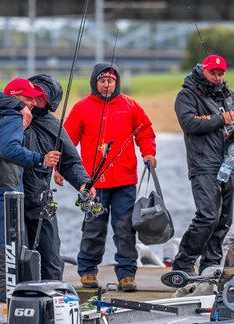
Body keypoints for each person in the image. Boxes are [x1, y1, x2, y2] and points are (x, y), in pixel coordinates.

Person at [0, 78, 61, 304]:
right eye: (27, 98)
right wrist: (41, 160)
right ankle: (1, 311)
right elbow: (10, 150)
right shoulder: (13, 118)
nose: (33, 103)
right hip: (1, 199)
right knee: (6, 262)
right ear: (14, 98)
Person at [61, 63, 157, 292]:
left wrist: (149, 153)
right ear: (95, 82)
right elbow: (66, 141)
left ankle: (126, 274)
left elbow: (145, 132)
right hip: (92, 184)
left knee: (125, 229)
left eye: (110, 81)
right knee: (93, 228)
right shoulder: (82, 107)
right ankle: (87, 271)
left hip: (125, 181)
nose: (106, 85)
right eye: (102, 81)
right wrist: (58, 169)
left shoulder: (131, 105)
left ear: (117, 83)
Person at [172, 54, 234, 277]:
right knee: (208, 216)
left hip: (227, 163)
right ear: (203, 71)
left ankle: (210, 264)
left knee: (225, 218)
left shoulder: (227, 94)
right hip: (202, 163)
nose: (217, 77)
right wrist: (220, 119)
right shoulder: (187, 94)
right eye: (213, 73)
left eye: (221, 73)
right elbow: (189, 123)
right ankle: (183, 262)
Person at [20, 73, 96, 280]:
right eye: (31, 94)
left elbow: (70, 162)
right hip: (9, 201)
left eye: (41, 97)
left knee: (51, 256)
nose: (34, 101)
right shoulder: (7, 115)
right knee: (16, 257)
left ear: (50, 102)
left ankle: (52, 299)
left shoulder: (53, 127)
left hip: (39, 201)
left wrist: (83, 184)